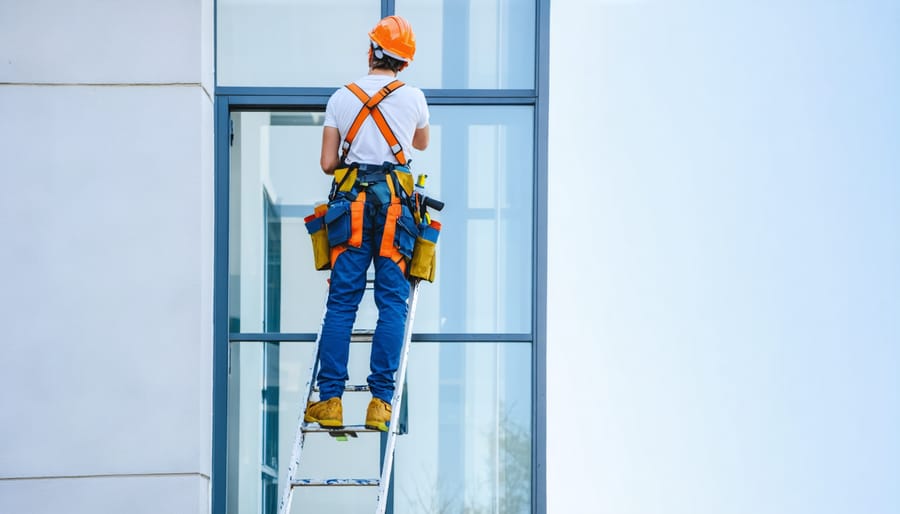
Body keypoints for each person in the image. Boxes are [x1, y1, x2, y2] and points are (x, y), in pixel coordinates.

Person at [304, 15, 430, 432]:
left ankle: (331, 401)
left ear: (371, 51)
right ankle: (380, 402)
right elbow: (420, 142)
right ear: (404, 64)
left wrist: (355, 153)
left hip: (353, 210)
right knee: (392, 303)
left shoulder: (342, 97)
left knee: (342, 304)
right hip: (395, 212)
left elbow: (327, 164)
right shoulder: (414, 98)